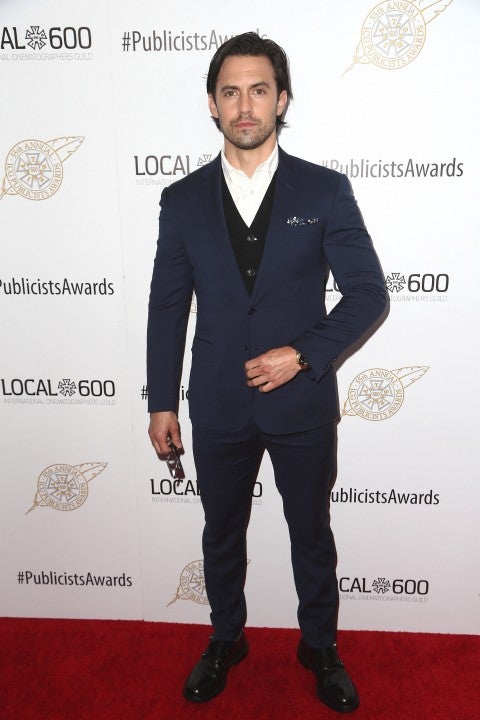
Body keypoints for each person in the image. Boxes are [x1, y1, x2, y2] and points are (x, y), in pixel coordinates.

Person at [147, 32, 387, 713]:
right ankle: (226, 638)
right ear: (212, 104)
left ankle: (320, 647)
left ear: (282, 100)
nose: (245, 105)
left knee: (310, 530)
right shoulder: (182, 199)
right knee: (221, 532)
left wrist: (303, 352)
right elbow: (168, 305)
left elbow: (368, 294)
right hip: (217, 401)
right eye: (231, 92)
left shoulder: (325, 189)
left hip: (301, 401)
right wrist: (161, 401)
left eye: (259, 90)